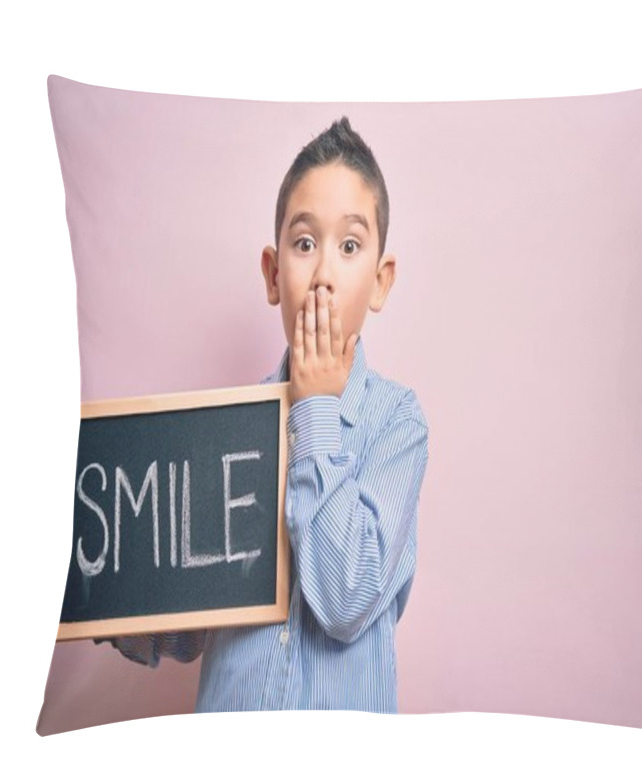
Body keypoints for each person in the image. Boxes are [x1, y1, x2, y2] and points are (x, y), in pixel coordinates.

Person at [100, 116, 429, 713]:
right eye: (305, 245)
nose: (325, 274)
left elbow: (345, 598)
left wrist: (317, 410)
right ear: (274, 275)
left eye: (349, 247)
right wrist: (110, 595)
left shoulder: (397, 424)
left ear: (380, 282)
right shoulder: (229, 428)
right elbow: (191, 618)